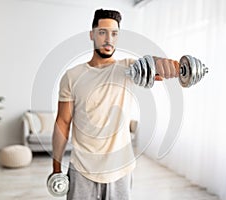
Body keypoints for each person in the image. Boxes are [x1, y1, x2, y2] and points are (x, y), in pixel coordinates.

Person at [51, 9, 179, 200]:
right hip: (82, 170)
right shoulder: (72, 76)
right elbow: (62, 122)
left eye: (114, 33)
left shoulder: (128, 68)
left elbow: (154, 68)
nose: (108, 39)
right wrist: (56, 167)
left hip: (120, 170)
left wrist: (167, 64)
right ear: (92, 34)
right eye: (102, 32)